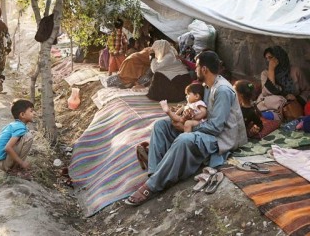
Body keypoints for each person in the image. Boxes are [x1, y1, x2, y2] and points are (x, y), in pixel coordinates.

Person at [125, 51, 247, 206]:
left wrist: (186, 126)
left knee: (184, 139)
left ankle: (152, 186)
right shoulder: (208, 85)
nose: (194, 70)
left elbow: (216, 127)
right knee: (161, 125)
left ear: (204, 69)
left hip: (221, 138)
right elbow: (206, 112)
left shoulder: (222, 90)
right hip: (207, 127)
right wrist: (190, 113)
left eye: (196, 67)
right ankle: (155, 173)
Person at [258, 46, 310, 119]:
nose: (268, 61)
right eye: (266, 59)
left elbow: (307, 90)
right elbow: (267, 93)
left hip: (292, 107)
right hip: (274, 108)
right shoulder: (265, 73)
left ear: (279, 57)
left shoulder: (295, 71)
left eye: (270, 58)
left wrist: (297, 99)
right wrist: (271, 70)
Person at [0, 99, 35, 180]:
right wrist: (22, 163)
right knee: (28, 136)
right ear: (22, 114)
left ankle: (14, 168)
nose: (34, 113)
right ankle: (15, 170)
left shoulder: (15, 125)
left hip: (1, 161)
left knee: (27, 135)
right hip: (3, 163)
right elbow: (7, 148)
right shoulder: (20, 127)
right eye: (31, 111)